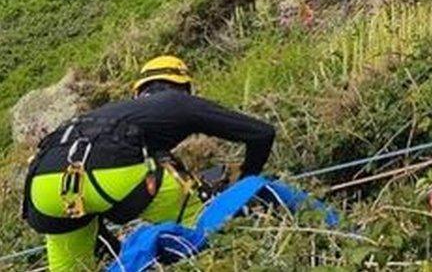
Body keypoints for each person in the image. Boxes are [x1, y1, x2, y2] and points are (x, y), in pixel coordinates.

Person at [22, 55, 276, 272]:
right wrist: (245, 179)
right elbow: (261, 133)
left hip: (43, 186)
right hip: (111, 171)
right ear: (184, 86)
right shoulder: (178, 102)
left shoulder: (110, 112)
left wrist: (115, 250)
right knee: (205, 223)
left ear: (138, 91)